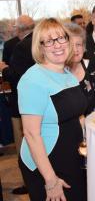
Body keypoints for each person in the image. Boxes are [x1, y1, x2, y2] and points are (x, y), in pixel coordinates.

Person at [17, 18, 87, 200]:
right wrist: (50, 180)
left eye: (61, 38)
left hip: (72, 157)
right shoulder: (32, 79)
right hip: (46, 164)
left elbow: (77, 116)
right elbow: (31, 134)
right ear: (40, 47)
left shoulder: (67, 73)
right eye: (48, 41)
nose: (57, 45)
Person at [0, 15, 35, 195]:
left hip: (22, 104)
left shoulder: (20, 46)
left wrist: (3, 69)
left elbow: (15, 75)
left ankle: (30, 183)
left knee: (25, 144)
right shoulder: (40, 41)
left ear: (19, 29)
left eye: (15, 26)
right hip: (41, 103)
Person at [66, 23, 95, 115]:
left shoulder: (92, 67)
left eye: (78, 44)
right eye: (70, 45)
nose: (75, 50)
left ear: (84, 48)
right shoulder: (58, 73)